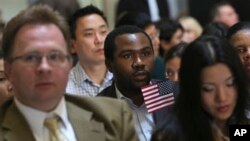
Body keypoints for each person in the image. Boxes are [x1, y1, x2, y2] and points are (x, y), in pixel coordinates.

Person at [0, 5, 138, 141]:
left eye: (54, 56)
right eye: (31, 57)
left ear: (69, 63)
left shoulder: (113, 118)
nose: (44, 67)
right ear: (8, 70)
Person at [151, 35, 250, 141]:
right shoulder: (170, 136)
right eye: (208, 89)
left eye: (230, 83)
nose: (222, 97)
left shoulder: (241, 125)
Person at [98, 25, 177, 141]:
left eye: (145, 54)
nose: (139, 62)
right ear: (109, 65)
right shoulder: (99, 108)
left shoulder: (170, 90)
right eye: (127, 56)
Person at [66, 5, 113, 97]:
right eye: (89, 34)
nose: (99, 40)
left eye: (103, 32)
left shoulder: (126, 77)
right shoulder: (64, 89)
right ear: (72, 46)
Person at [116, 12, 165, 80]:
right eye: (151, 37)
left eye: (156, 34)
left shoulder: (159, 64)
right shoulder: (118, 71)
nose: (158, 42)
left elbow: (166, 90)